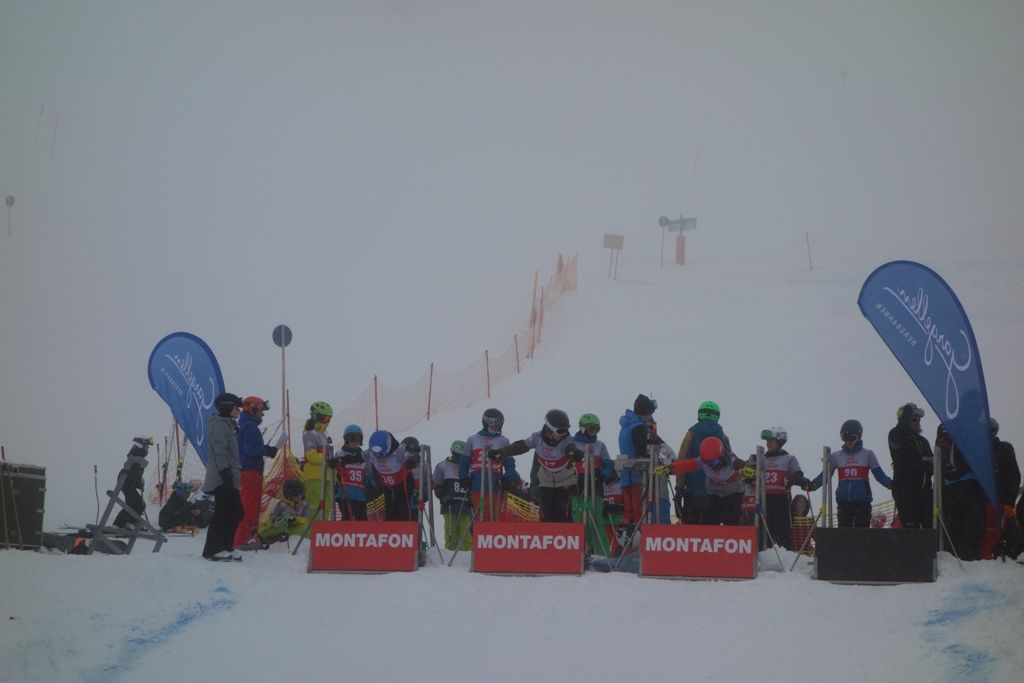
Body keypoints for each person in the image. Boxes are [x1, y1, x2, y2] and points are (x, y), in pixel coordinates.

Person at [492, 409, 582, 522]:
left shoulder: (566, 440)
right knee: (546, 513)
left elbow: (571, 449)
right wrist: (500, 453)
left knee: (563, 511)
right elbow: (520, 447)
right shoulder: (538, 438)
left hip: (565, 482)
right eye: (560, 431)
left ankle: (565, 531)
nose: (564, 434)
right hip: (546, 482)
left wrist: (575, 454)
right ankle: (547, 531)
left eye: (566, 430)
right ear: (550, 429)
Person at [807, 419, 891, 528]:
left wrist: (892, 485)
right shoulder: (837, 456)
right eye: (845, 438)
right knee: (844, 534)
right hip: (844, 503)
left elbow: (879, 475)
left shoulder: (867, 454)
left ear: (859, 437)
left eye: (852, 438)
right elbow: (825, 475)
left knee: (861, 533)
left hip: (862, 502)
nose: (848, 441)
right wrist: (813, 485)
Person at [656, 436, 745, 525]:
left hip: (733, 491)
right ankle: (711, 531)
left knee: (732, 515)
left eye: (714, 462)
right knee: (711, 515)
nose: (712, 466)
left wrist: (748, 470)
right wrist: (668, 469)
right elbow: (686, 465)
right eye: (708, 463)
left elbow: (741, 465)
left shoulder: (731, 461)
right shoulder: (702, 462)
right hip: (714, 492)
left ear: (722, 456)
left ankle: (734, 528)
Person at [202, 392, 245, 561]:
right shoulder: (220, 426)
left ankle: (227, 546)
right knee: (223, 514)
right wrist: (225, 473)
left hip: (230, 476)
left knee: (236, 513)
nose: (239, 411)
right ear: (227, 408)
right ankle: (213, 549)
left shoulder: (228, 425)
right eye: (236, 408)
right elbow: (220, 451)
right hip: (222, 477)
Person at [676, 400, 733, 525]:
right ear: (717, 416)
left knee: (690, 532)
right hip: (714, 495)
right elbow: (729, 466)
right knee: (711, 532)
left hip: (692, 493)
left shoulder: (691, 434)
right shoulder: (723, 437)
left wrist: (679, 489)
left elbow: (682, 461)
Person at [234, 396, 280, 548]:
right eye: (260, 410)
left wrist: (266, 450)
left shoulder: (245, 425)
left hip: (249, 470)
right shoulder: (250, 426)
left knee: (252, 505)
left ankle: (249, 536)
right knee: (249, 505)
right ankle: (242, 539)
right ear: (252, 409)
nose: (263, 414)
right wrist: (268, 450)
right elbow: (250, 449)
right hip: (250, 470)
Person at [936, 424, 986, 560]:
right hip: (966, 485)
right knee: (969, 524)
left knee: (956, 525)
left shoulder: (944, 433)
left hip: (951, 486)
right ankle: (967, 555)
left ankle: (957, 555)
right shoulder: (963, 430)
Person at [461, 408, 516, 522]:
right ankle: (480, 530)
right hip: (478, 482)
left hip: (495, 482)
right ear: (485, 422)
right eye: (491, 422)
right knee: (481, 512)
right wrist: (464, 476)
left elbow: (510, 463)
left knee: (495, 514)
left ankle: (493, 531)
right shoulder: (473, 439)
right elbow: (464, 461)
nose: (494, 426)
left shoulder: (503, 441)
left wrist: (508, 477)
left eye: (497, 423)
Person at [617, 394, 660, 535]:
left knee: (629, 510)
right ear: (645, 413)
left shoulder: (626, 425)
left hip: (625, 474)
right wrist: (653, 444)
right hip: (637, 474)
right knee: (638, 511)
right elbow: (642, 452)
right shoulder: (638, 427)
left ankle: (628, 537)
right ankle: (639, 537)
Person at [888, 402, 933, 529]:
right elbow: (902, 459)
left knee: (931, 529)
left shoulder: (923, 441)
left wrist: (927, 465)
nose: (917, 422)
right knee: (911, 530)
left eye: (919, 420)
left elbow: (932, 463)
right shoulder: (895, 434)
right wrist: (921, 463)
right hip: (905, 492)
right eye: (913, 420)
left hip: (924, 492)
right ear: (905, 420)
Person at [572, 413, 612, 553]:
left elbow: (607, 464)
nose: (593, 433)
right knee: (578, 519)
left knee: (596, 520)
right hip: (577, 485)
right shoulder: (572, 444)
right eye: (591, 429)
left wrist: (604, 474)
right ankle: (579, 551)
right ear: (582, 428)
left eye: (596, 429)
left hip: (595, 486)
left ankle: (601, 553)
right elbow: (566, 459)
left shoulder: (600, 446)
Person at [365, 430, 419, 521]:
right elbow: (361, 456)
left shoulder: (398, 452)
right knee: (388, 512)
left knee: (403, 511)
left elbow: (408, 456)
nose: (380, 457)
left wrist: (411, 461)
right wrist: (346, 459)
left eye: (382, 454)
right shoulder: (371, 453)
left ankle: (405, 526)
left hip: (402, 485)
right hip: (385, 486)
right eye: (377, 455)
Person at [990, 418, 1022, 559]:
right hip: (983, 500)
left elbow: (1014, 476)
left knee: (1007, 528)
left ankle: (1013, 554)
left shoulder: (1004, 448)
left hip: (1001, 499)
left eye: (992, 431)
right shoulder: (978, 452)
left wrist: (1009, 501)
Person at [433, 440, 472, 550]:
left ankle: (467, 553)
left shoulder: (469, 467)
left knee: (466, 532)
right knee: (450, 531)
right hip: (449, 504)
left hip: (464, 504)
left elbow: (473, 485)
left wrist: (471, 498)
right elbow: (437, 485)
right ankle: (450, 551)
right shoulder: (442, 466)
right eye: (457, 455)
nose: (459, 459)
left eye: (461, 456)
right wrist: (442, 496)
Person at [302, 401, 334, 526]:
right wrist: (328, 458)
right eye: (325, 418)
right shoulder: (310, 433)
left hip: (326, 475)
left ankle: (323, 530)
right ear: (316, 416)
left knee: (327, 505)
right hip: (314, 476)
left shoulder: (322, 434)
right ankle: (312, 531)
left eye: (329, 418)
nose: (327, 421)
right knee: (315, 505)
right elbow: (310, 456)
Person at [112, 436, 153, 529]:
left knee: (136, 504)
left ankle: (129, 522)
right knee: (137, 504)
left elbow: (136, 473)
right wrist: (135, 480)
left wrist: (139, 483)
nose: (148, 449)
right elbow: (131, 469)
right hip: (125, 481)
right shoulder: (135, 455)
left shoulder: (139, 456)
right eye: (146, 446)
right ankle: (119, 524)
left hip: (128, 482)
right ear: (140, 445)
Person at [333, 424, 369, 521]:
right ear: (346, 440)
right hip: (345, 496)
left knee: (362, 521)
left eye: (358, 438)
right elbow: (336, 470)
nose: (355, 441)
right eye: (351, 438)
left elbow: (367, 474)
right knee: (347, 520)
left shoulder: (363, 456)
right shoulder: (340, 454)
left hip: (361, 496)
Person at [258, 479, 309, 545]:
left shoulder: (304, 504)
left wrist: (295, 519)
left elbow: (306, 519)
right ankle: (268, 538)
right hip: (274, 529)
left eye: (301, 493)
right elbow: (272, 517)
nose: (299, 497)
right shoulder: (282, 505)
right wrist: (276, 520)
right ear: (288, 496)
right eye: (295, 495)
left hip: (291, 528)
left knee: (306, 527)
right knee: (277, 528)